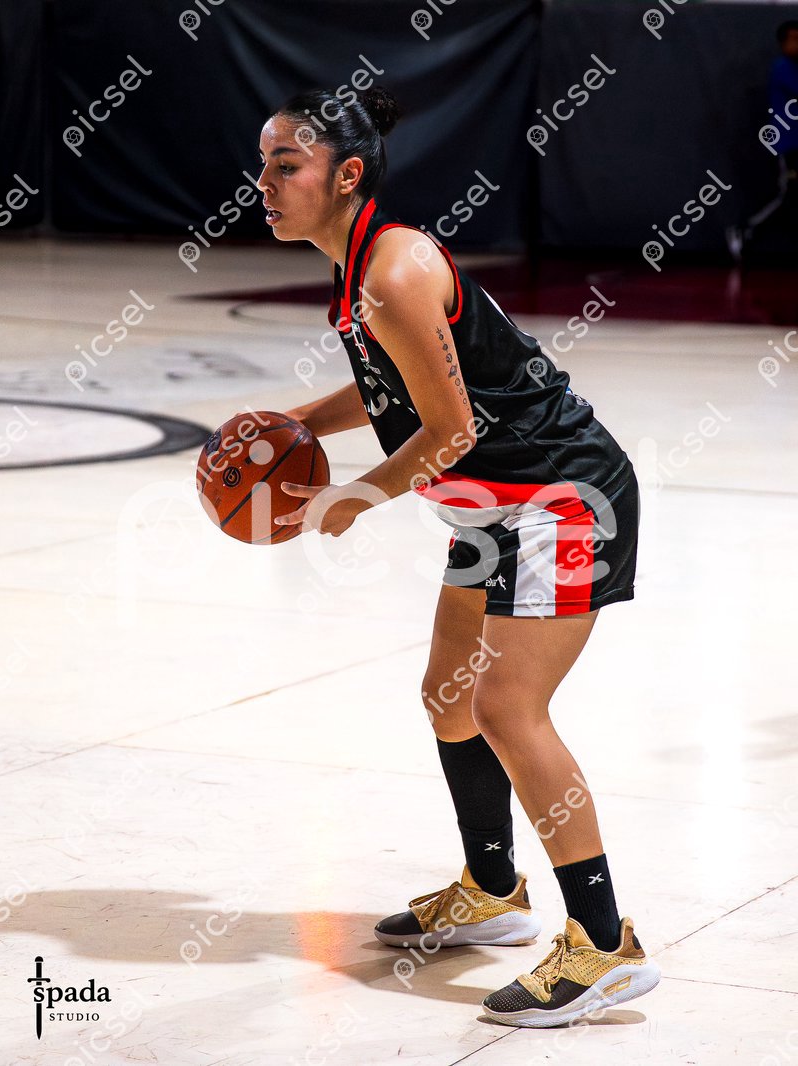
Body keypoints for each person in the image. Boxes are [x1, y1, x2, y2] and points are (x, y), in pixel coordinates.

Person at [259, 84, 660, 1028]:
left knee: (506, 708)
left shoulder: (394, 268)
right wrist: (299, 419)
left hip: (561, 498)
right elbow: (397, 386)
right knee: (448, 694)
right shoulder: (357, 268)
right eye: (262, 165)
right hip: (492, 512)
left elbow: (450, 430)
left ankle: (605, 945)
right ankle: (492, 890)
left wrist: (353, 499)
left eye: (286, 165)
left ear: (346, 176)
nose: (264, 184)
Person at [727, 19, 798, 261]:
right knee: (789, 194)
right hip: (790, 144)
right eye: (794, 39)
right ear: (783, 43)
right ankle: (745, 230)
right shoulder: (782, 68)